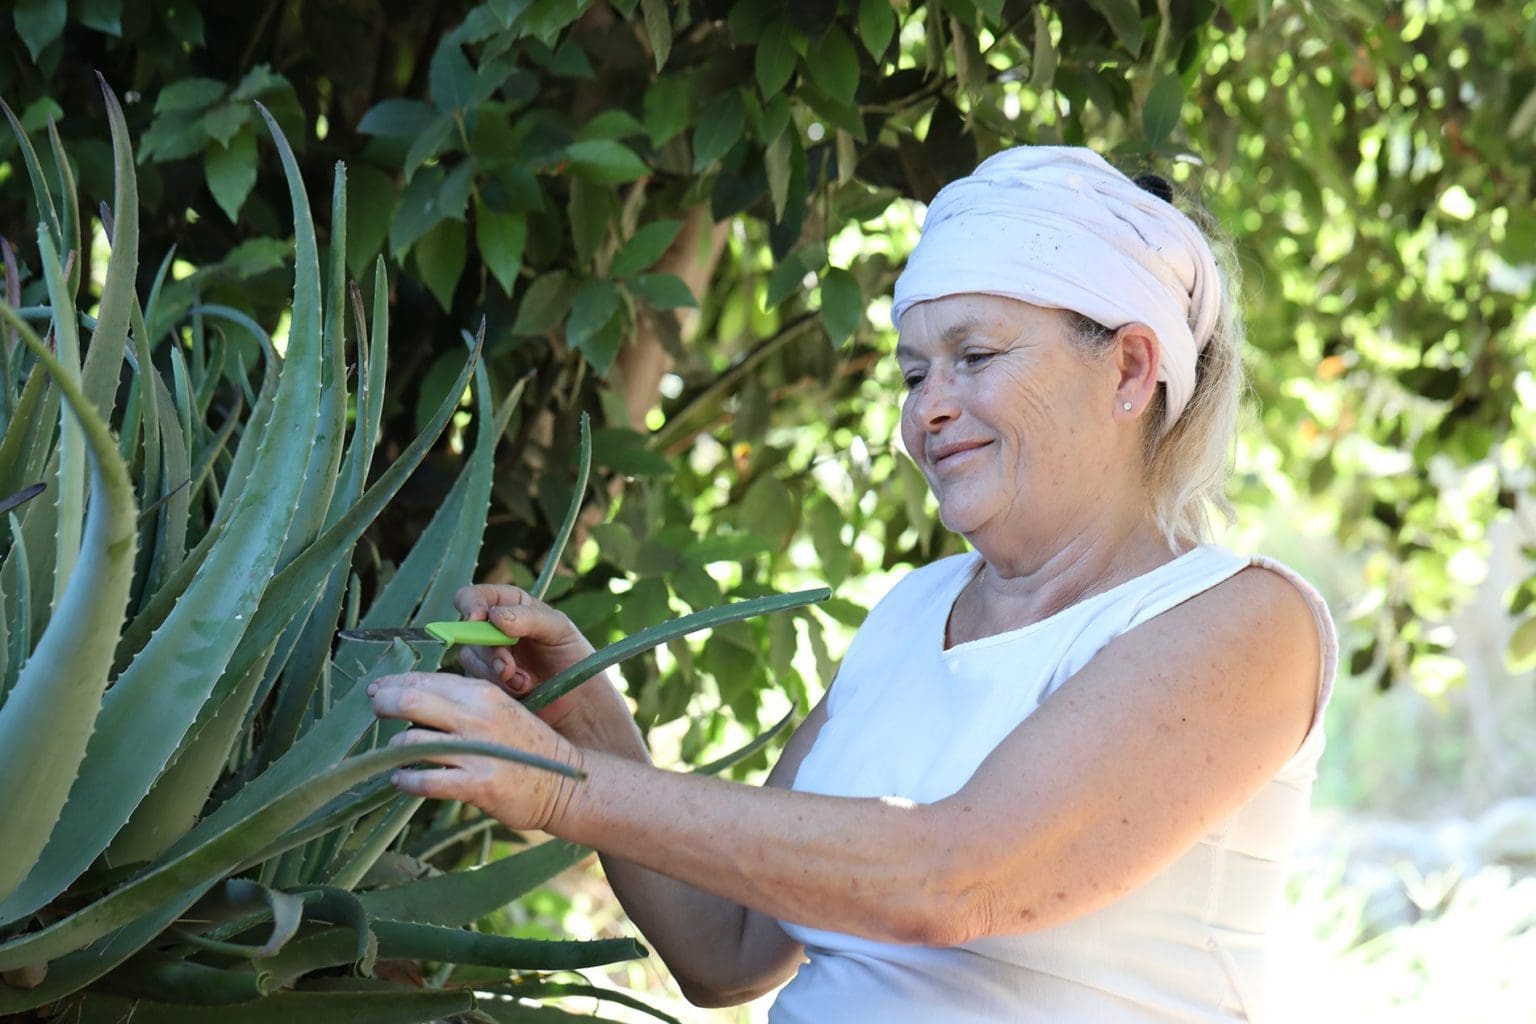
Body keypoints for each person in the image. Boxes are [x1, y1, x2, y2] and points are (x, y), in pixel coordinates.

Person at [368, 146, 1337, 1022]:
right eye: (916, 373)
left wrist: (567, 793)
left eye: (975, 356)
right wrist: (582, 720)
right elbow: (728, 949)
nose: (930, 411)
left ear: (1130, 368)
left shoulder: (1247, 621)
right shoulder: (913, 613)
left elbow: (950, 876)